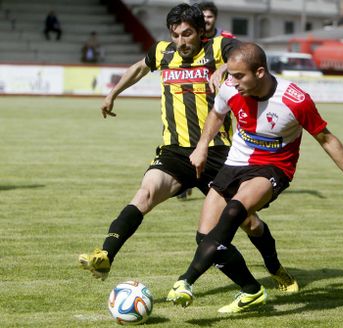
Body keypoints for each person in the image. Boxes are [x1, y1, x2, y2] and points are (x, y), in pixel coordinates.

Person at [78, 3, 298, 294]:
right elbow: (139, 68)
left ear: (201, 32)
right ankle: (106, 254)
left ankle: (274, 267)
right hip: (175, 151)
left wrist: (223, 68)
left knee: (250, 223)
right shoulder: (162, 52)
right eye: (175, 35)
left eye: (187, 34)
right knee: (144, 194)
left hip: (219, 152)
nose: (180, 41)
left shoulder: (219, 46)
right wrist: (112, 93)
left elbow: (249, 51)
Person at [166, 42, 343, 313]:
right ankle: (251, 290)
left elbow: (326, 139)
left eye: (238, 76)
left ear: (259, 72)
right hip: (235, 163)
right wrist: (202, 146)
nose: (231, 81)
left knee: (234, 211)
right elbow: (216, 114)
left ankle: (186, 280)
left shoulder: (296, 100)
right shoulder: (229, 88)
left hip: (274, 167)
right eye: (230, 75)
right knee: (206, 239)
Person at [177, 1, 235, 201]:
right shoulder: (191, 38)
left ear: (215, 18)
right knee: (190, 133)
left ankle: (220, 180)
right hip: (195, 96)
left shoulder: (225, 39)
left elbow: (242, 56)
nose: (206, 19)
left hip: (220, 99)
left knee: (216, 139)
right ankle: (188, 177)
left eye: (210, 16)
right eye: (203, 16)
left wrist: (223, 68)